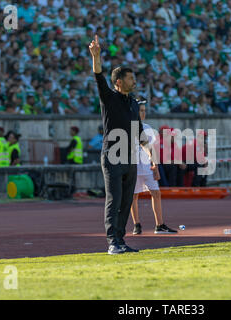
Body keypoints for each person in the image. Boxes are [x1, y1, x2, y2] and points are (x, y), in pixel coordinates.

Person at [90, 34, 150, 255]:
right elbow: (98, 76)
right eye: (130, 78)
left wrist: (150, 155)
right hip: (113, 155)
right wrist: (96, 56)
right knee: (114, 200)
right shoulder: (109, 97)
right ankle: (112, 242)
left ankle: (121, 240)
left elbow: (139, 131)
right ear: (119, 82)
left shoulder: (134, 103)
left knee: (126, 202)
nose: (134, 81)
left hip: (130, 156)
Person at [130, 102, 177, 235]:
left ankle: (159, 225)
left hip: (147, 166)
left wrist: (155, 165)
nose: (143, 113)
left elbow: (152, 149)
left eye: (145, 110)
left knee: (156, 193)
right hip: (133, 167)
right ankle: (136, 224)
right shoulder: (128, 128)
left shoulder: (148, 128)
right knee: (133, 196)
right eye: (141, 111)